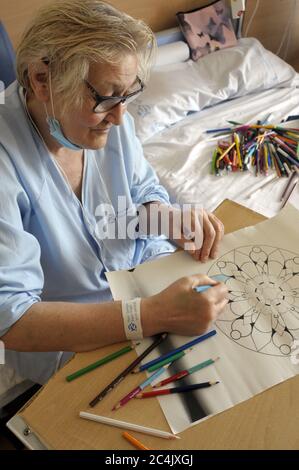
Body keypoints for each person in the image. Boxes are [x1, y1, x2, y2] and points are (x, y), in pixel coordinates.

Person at [0, 0, 228, 385]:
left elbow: (138, 193)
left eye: (128, 94)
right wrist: (150, 315)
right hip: (74, 335)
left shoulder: (109, 112)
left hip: (148, 283)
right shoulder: (7, 161)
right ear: (42, 81)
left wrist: (165, 216)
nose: (120, 117)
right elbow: (13, 318)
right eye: (106, 98)